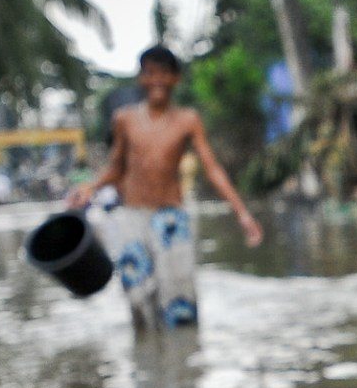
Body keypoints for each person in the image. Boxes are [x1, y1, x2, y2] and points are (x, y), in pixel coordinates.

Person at [67, 45, 264, 328]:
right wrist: (91, 187)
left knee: (179, 300)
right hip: (133, 216)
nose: (156, 79)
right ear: (141, 79)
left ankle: (183, 364)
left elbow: (212, 168)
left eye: (163, 73)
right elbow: (116, 168)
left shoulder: (187, 120)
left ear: (175, 79)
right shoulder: (125, 119)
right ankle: (148, 363)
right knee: (137, 296)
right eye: (149, 73)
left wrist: (242, 213)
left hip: (171, 217)